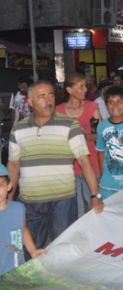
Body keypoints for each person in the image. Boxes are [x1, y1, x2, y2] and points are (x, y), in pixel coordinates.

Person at [8, 81, 104, 257]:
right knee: (28, 252)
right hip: (30, 201)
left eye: (51, 95)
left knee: (64, 251)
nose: (48, 100)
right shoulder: (18, 129)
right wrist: (8, 199)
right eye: (42, 96)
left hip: (63, 200)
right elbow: (14, 165)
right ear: (30, 102)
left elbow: (84, 161)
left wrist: (94, 196)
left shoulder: (70, 125)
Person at [55, 73, 102, 218]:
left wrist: (81, 137)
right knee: (75, 211)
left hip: (92, 164)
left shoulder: (91, 107)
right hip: (68, 167)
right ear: (69, 90)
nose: (85, 89)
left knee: (96, 207)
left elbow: (101, 134)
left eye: (85, 86)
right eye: (81, 86)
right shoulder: (58, 111)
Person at [0, 164, 46, 275]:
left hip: (15, 271)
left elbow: (22, 229)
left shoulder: (19, 209)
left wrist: (32, 250)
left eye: (0, 185)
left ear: (9, 185)